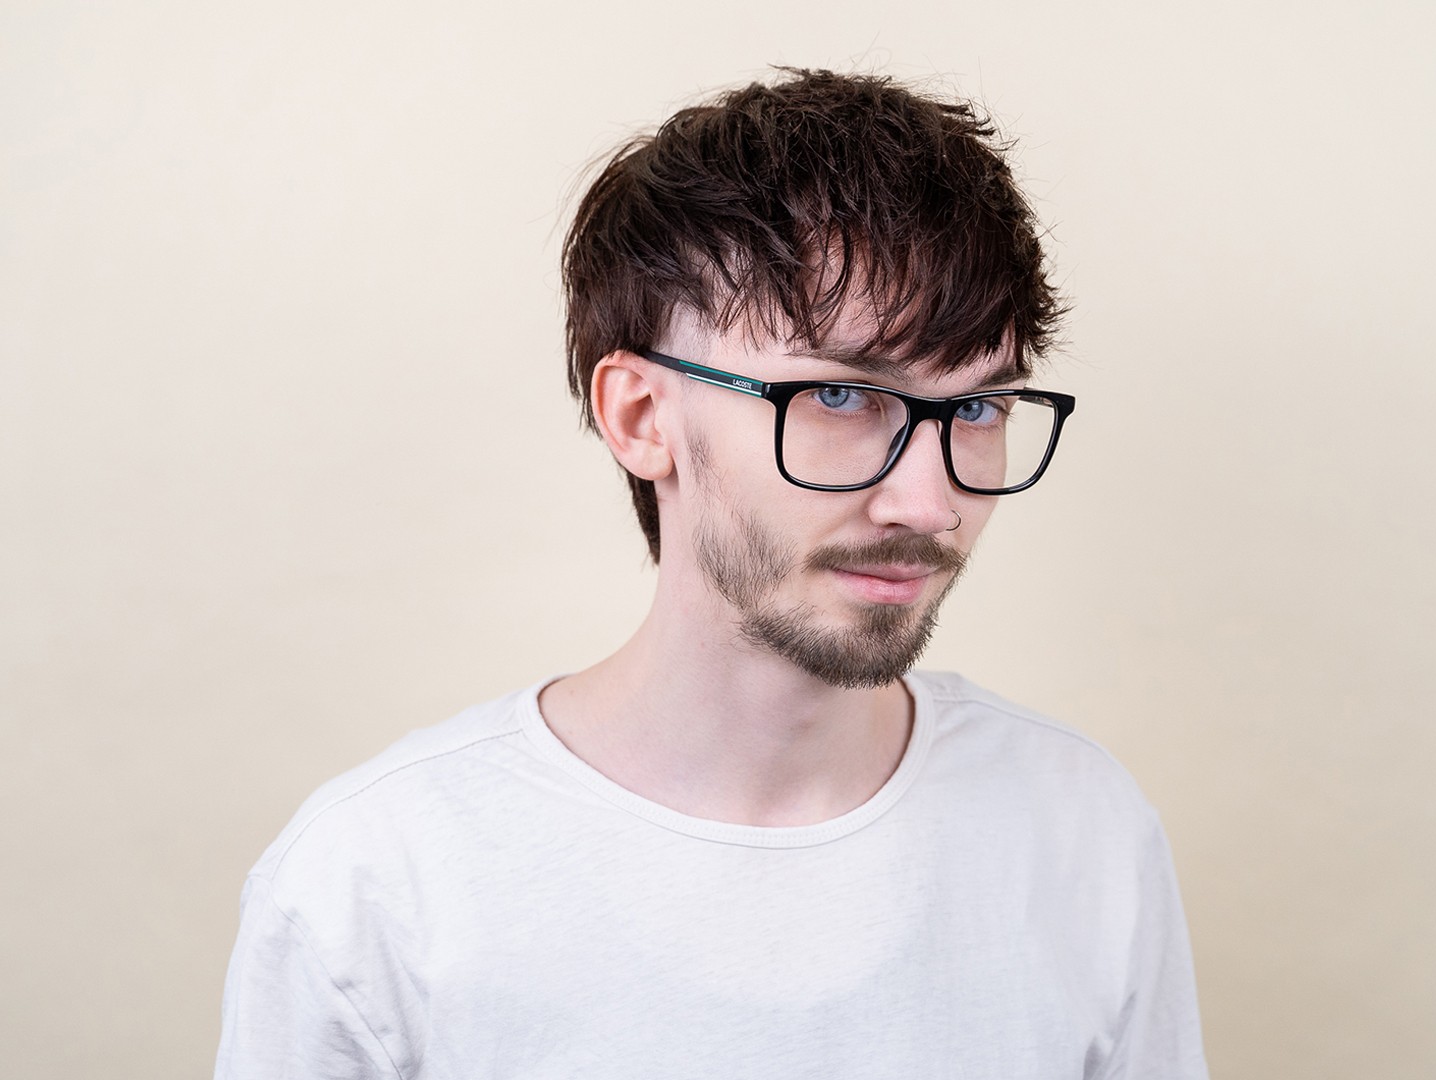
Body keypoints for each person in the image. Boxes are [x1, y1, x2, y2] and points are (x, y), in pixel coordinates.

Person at [215, 68, 1208, 1079]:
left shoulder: (1082, 831)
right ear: (642, 417)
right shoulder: (372, 892)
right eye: (839, 396)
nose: (927, 504)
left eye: (978, 409)